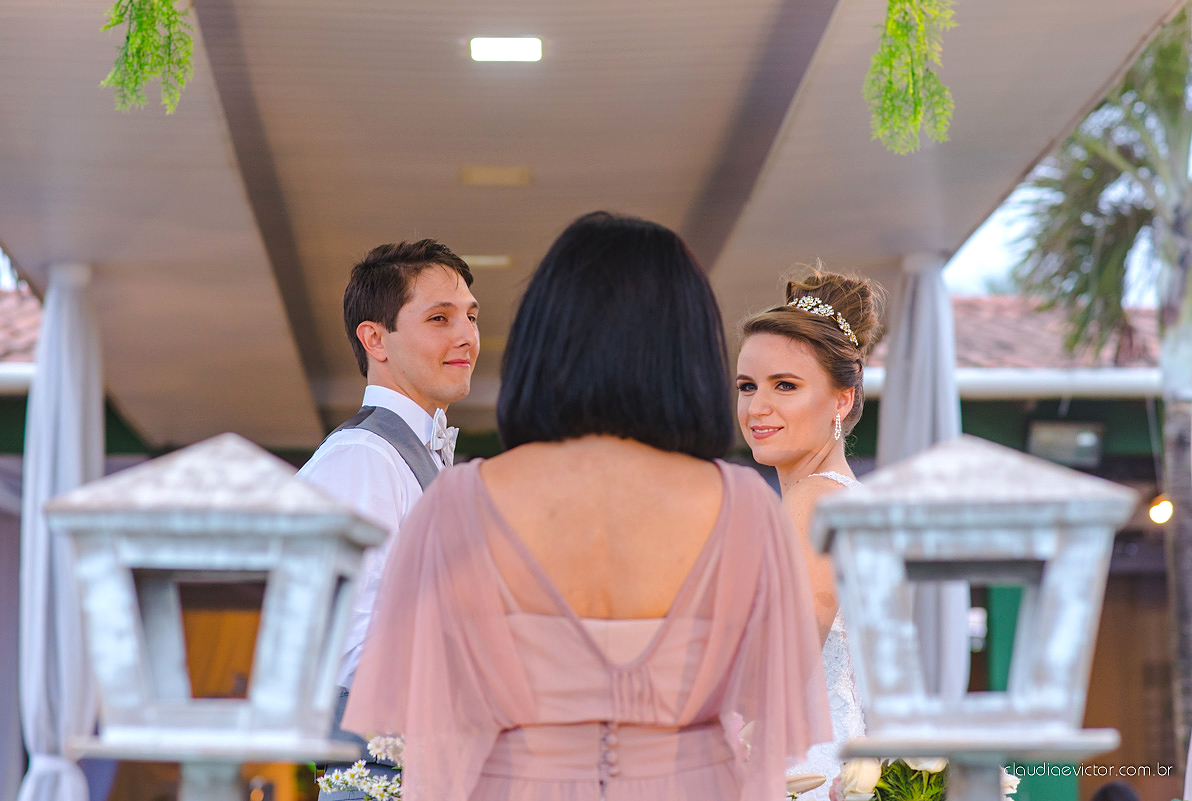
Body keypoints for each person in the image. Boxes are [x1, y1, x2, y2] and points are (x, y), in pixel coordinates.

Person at [342, 211, 832, 801]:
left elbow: (421, 724)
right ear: (687, 350)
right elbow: (765, 712)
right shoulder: (746, 507)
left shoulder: (457, 504)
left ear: (544, 341)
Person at [297, 240, 479, 799]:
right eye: (439, 318)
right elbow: (345, 644)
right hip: (381, 777)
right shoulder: (363, 458)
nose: (467, 336)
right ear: (374, 338)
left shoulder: (415, 453)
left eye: (471, 316)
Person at [735, 265, 883, 800]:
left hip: (798, 772)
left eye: (785, 386)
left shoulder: (816, 500)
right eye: (747, 386)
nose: (758, 407)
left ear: (841, 400)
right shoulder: (845, 498)